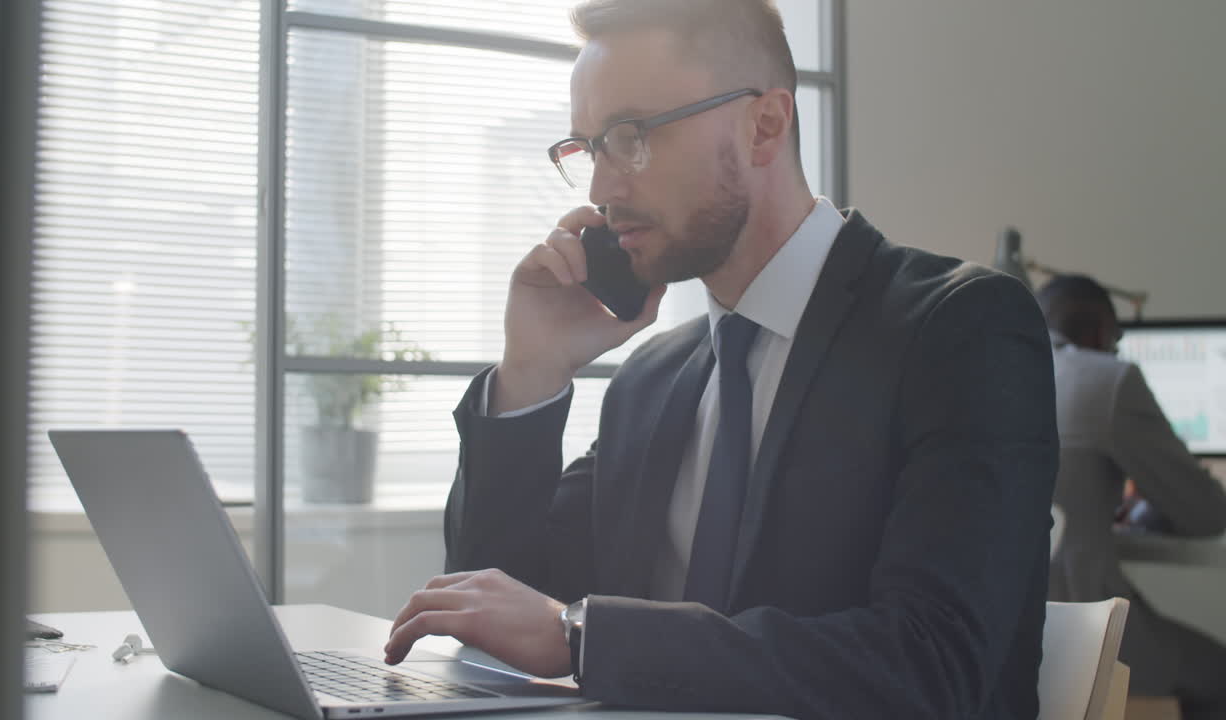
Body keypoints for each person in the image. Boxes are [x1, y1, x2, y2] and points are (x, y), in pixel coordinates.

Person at [383, 1, 1059, 716]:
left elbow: (934, 665)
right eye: (589, 148)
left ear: (763, 125)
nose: (602, 190)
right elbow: (493, 609)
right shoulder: (652, 380)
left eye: (632, 136)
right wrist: (531, 373)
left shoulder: (958, 330)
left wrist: (581, 637)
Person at [1037, 273, 1226, 720]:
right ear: (1102, 332)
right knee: (1218, 674)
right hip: (1079, 630)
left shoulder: (987, 371)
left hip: (994, 633)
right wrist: (1148, 505)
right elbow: (1207, 514)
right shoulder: (1109, 379)